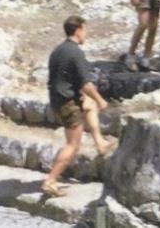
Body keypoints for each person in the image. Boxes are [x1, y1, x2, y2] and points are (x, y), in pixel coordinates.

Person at [42, 15, 117, 198]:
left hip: (59, 99)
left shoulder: (59, 50)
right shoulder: (75, 52)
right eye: (85, 29)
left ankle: (100, 143)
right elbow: (86, 84)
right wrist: (101, 100)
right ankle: (50, 180)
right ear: (78, 30)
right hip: (68, 103)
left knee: (89, 106)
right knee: (73, 145)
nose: (87, 34)